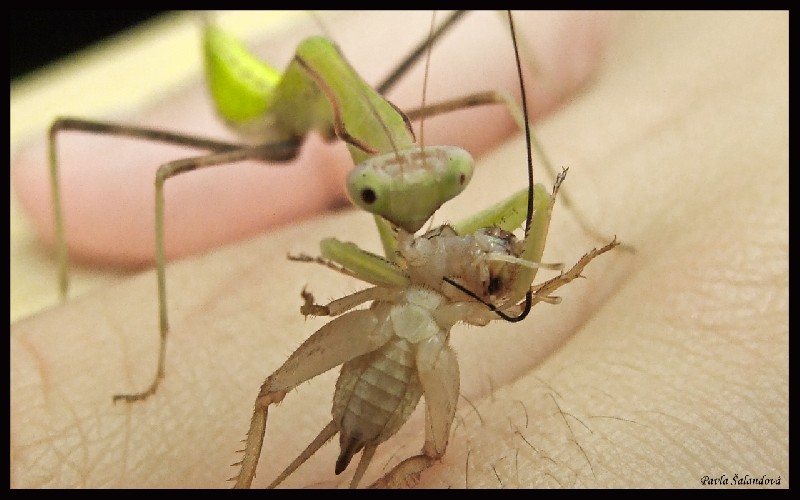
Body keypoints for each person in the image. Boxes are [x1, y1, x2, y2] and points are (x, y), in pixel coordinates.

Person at [10, 11, 787, 488]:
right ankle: (157, 353)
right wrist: (156, 363)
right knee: (126, 157)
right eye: (381, 198)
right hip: (255, 110)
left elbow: (504, 101)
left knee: (495, 91)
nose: (422, 218)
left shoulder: (398, 151)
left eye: (448, 181)